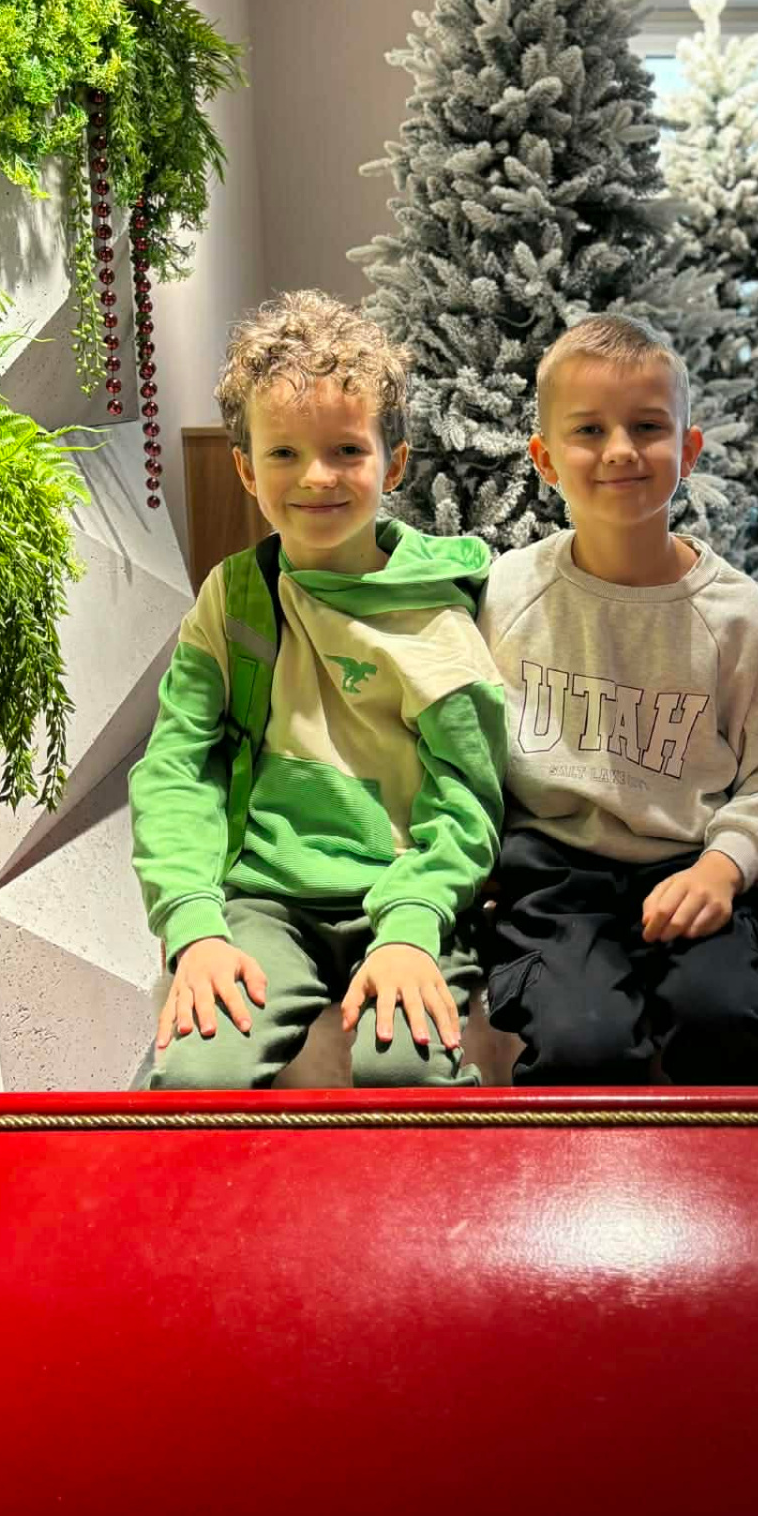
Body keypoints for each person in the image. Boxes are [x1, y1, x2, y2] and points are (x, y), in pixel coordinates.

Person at [128, 291, 506, 1089]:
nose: (316, 477)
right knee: (199, 1078)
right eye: (284, 453)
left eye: (346, 450)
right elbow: (176, 769)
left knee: (405, 1069)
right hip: (265, 902)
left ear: (392, 464)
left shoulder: (439, 618)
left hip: (406, 894)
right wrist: (194, 922)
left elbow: (469, 801)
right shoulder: (234, 599)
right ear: (245, 468)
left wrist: (412, 925)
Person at [477, 313, 758, 1085]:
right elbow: (467, 750)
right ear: (544, 459)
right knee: (582, 1044)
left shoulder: (734, 612)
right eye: (589, 430)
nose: (621, 450)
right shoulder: (507, 593)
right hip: (552, 881)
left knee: (726, 1022)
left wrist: (723, 868)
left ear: (688, 451)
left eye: (648, 427)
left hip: (692, 866)